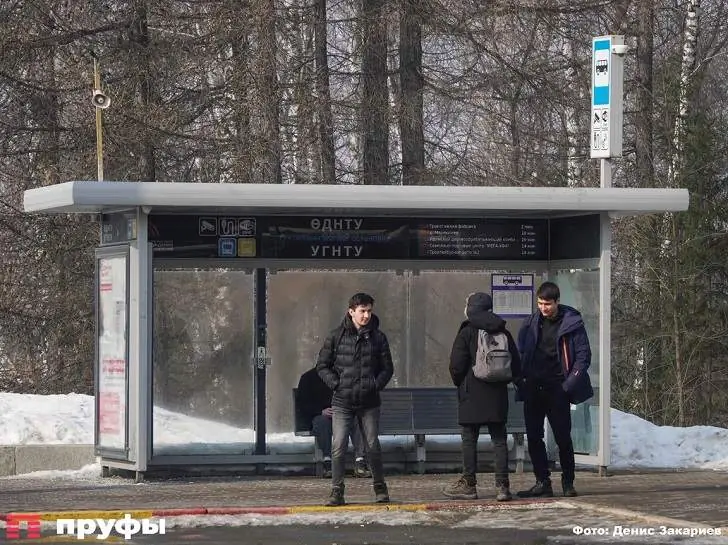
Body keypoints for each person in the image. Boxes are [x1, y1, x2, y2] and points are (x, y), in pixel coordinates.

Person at [516, 281, 594, 498]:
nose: (543, 308)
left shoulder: (572, 323)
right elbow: (521, 353)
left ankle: (568, 482)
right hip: (533, 388)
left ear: (557, 301)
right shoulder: (530, 323)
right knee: (534, 437)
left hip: (558, 388)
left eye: (548, 304)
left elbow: (583, 356)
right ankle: (542, 481)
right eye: (540, 303)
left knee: (562, 437)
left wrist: (568, 385)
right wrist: (520, 380)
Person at [316, 292, 394, 506]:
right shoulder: (336, 336)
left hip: (369, 401)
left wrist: (375, 385)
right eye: (362, 311)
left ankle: (380, 488)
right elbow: (322, 366)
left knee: (372, 445)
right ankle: (336, 491)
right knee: (338, 445)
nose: (366, 315)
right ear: (351, 311)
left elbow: (387, 369)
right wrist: (337, 384)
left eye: (369, 311)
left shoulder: (378, 338)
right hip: (343, 401)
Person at [442, 292, 522, 502]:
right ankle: (502, 487)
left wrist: (461, 383)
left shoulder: (467, 332)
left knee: (469, 439)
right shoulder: (503, 331)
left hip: (472, 393)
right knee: (499, 440)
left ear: (471, 309)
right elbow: (516, 364)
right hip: (497, 395)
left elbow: (456, 365)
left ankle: (469, 485)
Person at [296, 366, 372, 478]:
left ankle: (360, 461)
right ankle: (328, 462)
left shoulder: (344, 376)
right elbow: (303, 404)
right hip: (321, 415)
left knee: (357, 420)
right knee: (322, 422)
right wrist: (321, 411)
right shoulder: (308, 378)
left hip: (343, 412)